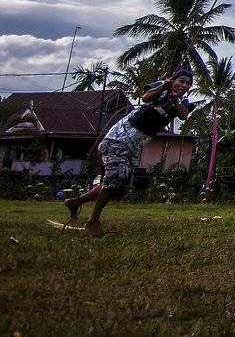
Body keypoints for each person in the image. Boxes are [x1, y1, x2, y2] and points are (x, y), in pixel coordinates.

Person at [63, 70, 194, 236]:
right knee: (117, 176)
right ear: (173, 80)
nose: (184, 85)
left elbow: (183, 115)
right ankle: (93, 221)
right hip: (118, 138)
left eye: (188, 83)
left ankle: (76, 202)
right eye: (181, 81)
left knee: (121, 183)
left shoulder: (183, 102)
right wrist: (164, 86)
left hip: (133, 145)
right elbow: (146, 98)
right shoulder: (161, 88)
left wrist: (175, 100)